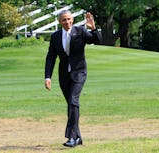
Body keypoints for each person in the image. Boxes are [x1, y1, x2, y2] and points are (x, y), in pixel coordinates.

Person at [44, 10, 102, 147]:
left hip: (79, 72)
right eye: (64, 20)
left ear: (73, 20)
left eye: (69, 19)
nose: (67, 22)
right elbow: (51, 57)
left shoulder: (80, 32)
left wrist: (93, 28)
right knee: (71, 105)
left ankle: (71, 137)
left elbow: (97, 41)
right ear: (60, 22)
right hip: (64, 75)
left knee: (73, 100)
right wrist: (48, 77)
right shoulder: (55, 36)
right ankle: (78, 137)